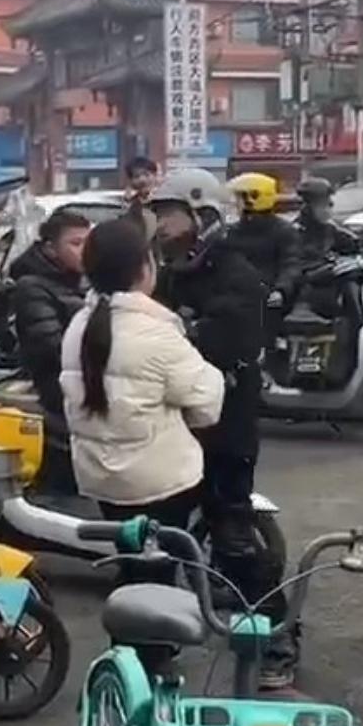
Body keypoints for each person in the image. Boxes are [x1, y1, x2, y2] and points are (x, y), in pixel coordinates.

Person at [151, 167, 296, 687]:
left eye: (168, 215)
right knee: (161, 536)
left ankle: (277, 637)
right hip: (177, 425)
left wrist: (177, 335)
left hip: (226, 426)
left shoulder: (236, 274)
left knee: (232, 534)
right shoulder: (171, 272)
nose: (161, 226)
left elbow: (223, 342)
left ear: (202, 214)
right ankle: (157, 642)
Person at [60, 216, 224, 532]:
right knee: (161, 557)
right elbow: (205, 404)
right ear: (144, 269)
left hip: (100, 480)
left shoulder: (78, 325)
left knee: (131, 553)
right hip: (157, 483)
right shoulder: (156, 331)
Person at [7, 206, 90, 494]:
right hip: (57, 397)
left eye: (88, 243)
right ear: (51, 249)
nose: (85, 251)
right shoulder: (32, 287)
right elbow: (50, 346)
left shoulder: (79, 283)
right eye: (76, 244)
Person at [227, 172, 301, 316]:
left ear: (254, 198)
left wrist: (280, 291)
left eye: (240, 197)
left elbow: (291, 264)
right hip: (235, 299)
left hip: (268, 300)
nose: (236, 202)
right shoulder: (232, 231)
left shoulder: (283, 231)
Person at [122, 154, 159, 241]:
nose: (142, 180)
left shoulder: (164, 199)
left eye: (146, 175)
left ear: (155, 176)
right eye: (137, 176)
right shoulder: (131, 204)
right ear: (130, 181)